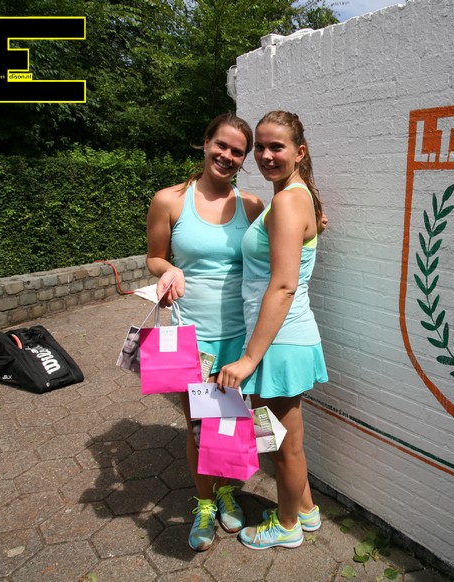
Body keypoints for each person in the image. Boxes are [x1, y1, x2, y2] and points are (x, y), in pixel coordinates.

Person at [145, 113, 266, 551]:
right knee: (198, 424)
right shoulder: (169, 200)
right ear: (206, 142)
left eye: (238, 151)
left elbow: (280, 246)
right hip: (191, 336)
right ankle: (204, 503)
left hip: (241, 336)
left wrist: (316, 224)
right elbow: (154, 257)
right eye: (222, 145)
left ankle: (228, 490)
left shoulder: (252, 206)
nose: (227, 156)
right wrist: (169, 269)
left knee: (231, 422)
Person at [219, 111, 328, 551]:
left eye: (276, 147)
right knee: (283, 439)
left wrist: (249, 359)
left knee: (282, 445)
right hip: (280, 340)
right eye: (260, 147)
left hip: (278, 343)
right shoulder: (294, 198)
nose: (265, 155)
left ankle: (286, 526)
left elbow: (283, 286)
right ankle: (306, 511)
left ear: (299, 152)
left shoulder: (287, 202)